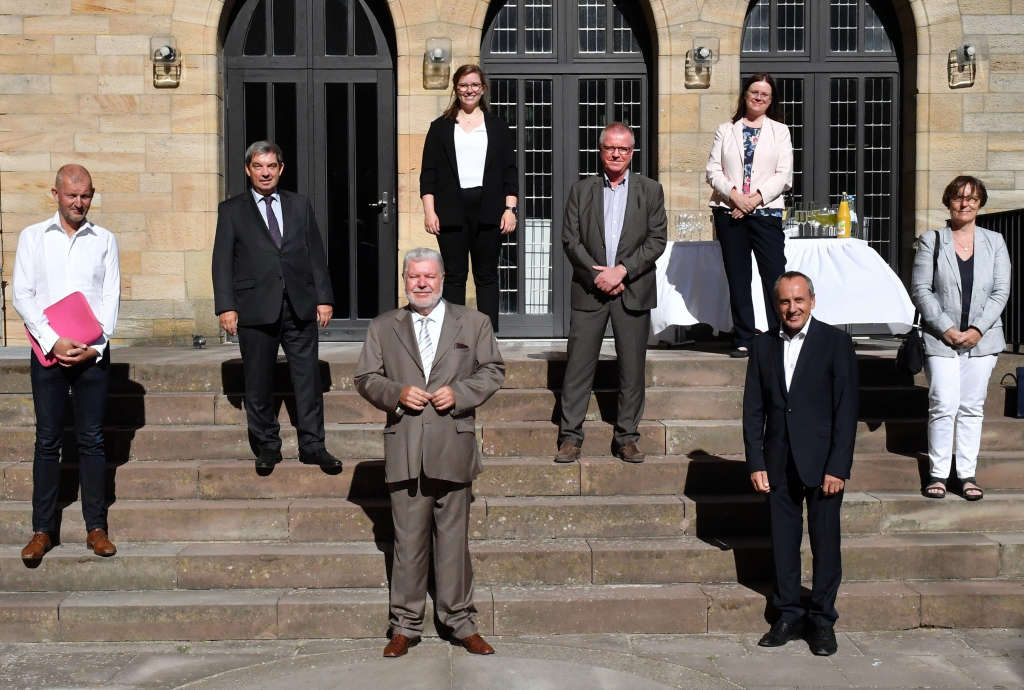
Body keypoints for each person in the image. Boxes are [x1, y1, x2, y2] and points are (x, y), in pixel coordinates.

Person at [354, 247, 505, 658]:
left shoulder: (473, 323)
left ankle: (460, 622)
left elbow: (493, 370)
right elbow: (366, 376)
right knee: (408, 542)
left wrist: (458, 393)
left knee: (454, 542)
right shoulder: (384, 327)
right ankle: (405, 625)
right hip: (405, 446)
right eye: (413, 277)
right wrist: (396, 394)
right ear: (404, 280)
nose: (421, 283)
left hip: (452, 445)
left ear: (442, 279)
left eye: (429, 277)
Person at [743, 271, 858, 656]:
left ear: (811, 300)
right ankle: (789, 614)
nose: (792, 309)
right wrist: (756, 461)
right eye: (784, 302)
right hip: (778, 462)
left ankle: (822, 620)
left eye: (798, 300)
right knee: (783, 544)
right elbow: (752, 409)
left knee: (826, 544)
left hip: (824, 463)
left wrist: (838, 466)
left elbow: (846, 411)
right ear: (776, 305)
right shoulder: (761, 346)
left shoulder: (835, 343)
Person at [212, 140, 341, 472]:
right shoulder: (232, 210)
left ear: (281, 169)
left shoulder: (299, 205)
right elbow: (222, 262)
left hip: (299, 305)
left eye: (271, 166)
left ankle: (313, 445)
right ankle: (267, 447)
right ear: (248, 170)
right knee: (257, 381)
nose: (265, 172)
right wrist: (226, 306)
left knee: (308, 379)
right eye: (258, 166)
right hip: (254, 306)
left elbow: (315, 253)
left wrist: (323, 297)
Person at [13, 164, 120, 561]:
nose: (79, 202)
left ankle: (96, 528)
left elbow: (111, 296)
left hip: (93, 355)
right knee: (47, 441)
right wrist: (53, 341)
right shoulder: (32, 238)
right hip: (48, 353)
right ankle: (42, 531)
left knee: (91, 439)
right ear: (55, 193)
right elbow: (22, 294)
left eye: (86, 195)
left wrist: (98, 345)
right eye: (72, 194)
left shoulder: (105, 239)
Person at [555, 122, 667, 464]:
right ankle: (570, 437)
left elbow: (657, 239)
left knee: (632, 369)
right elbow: (570, 240)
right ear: (600, 151)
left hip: (632, 290)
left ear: (632, 153)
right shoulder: (581, 190)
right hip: (590, 291)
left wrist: (623, 271)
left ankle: (627, 437)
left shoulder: (650, 190)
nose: (616, 153)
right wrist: (598, 276)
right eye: (610, 148)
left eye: (623, 148)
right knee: (577, 367)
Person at [911, 176, 1010, 501]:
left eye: (971, 198)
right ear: (948, 201)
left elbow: (1000, 291)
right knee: (943, 403)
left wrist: (977, 329)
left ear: (980, 203)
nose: (964, 203)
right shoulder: (932, 240)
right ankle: (939, 473)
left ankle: (966, 474)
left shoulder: (994, 241)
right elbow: (922, 290)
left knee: (971, 406)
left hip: (983, 339)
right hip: (941, 338)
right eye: (958, 197)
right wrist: (946, 328)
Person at [420, 63, 518, 332]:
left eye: (474, 85)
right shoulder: (440, 127)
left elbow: (510, 172)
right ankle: (453, 336)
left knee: (486, 276)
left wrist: (510, 209)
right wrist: (430, 211)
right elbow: (428, 175)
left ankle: (487, 337)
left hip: (489, 209)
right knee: (454, 276)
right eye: (463, 85)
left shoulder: (497, 126)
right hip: (451, 210)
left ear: (483, 89)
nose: (469, 90)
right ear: (456, 89)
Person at [706, 72, 793, 358]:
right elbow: (713, 171)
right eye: (754, 92)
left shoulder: (780, 131)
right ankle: (744, 336)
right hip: (729, 212)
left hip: (766, 212)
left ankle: (778, 334)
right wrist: (735, 197)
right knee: (738, 277)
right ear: (745, 95)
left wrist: (752, 200)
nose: (759, 97)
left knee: (774, 275)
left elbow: (784, 175)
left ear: (771, 100)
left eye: (765, 94)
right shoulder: (725, 130)